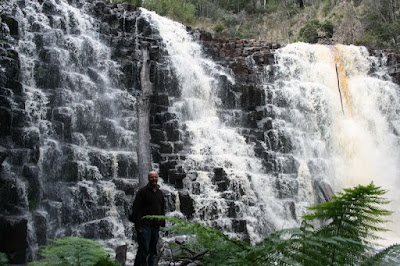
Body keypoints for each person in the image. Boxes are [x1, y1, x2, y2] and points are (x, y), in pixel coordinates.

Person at [132, 171, 165, 266]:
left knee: (153, 249)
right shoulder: (142, 192)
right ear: (148, 179)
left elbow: (162, 208)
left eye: (155, 177)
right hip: (144, 225)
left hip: (155, 226)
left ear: (157, 178)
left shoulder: (160, 193)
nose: (154, 179)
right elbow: (136, 209)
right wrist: (138, 227)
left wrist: (163, 223)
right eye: (152, 177)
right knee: (143, 248)